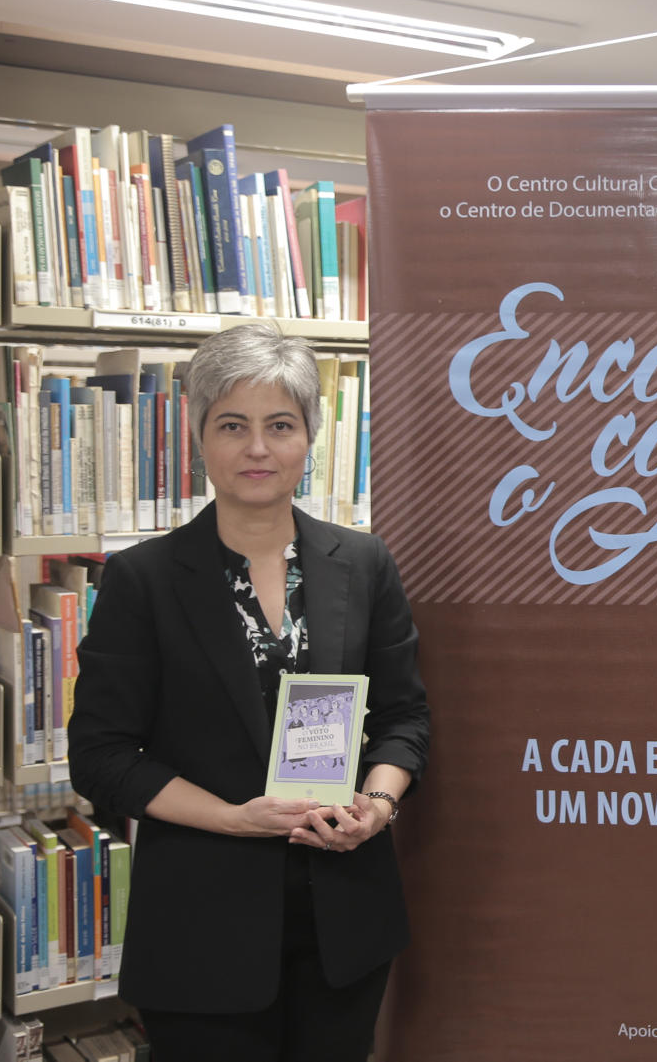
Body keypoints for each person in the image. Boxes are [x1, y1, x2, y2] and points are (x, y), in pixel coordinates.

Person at [69, 324, 429, 1062]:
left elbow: (403, 717)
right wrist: (237, 819)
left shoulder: (363, 562)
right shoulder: (142, 579)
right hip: (202, 926)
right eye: (233, 425)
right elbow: (101, 757)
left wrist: (378, 805)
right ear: (199, 436)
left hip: (345, 920)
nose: (257, 448)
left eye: (280, 425)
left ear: (308, 438)